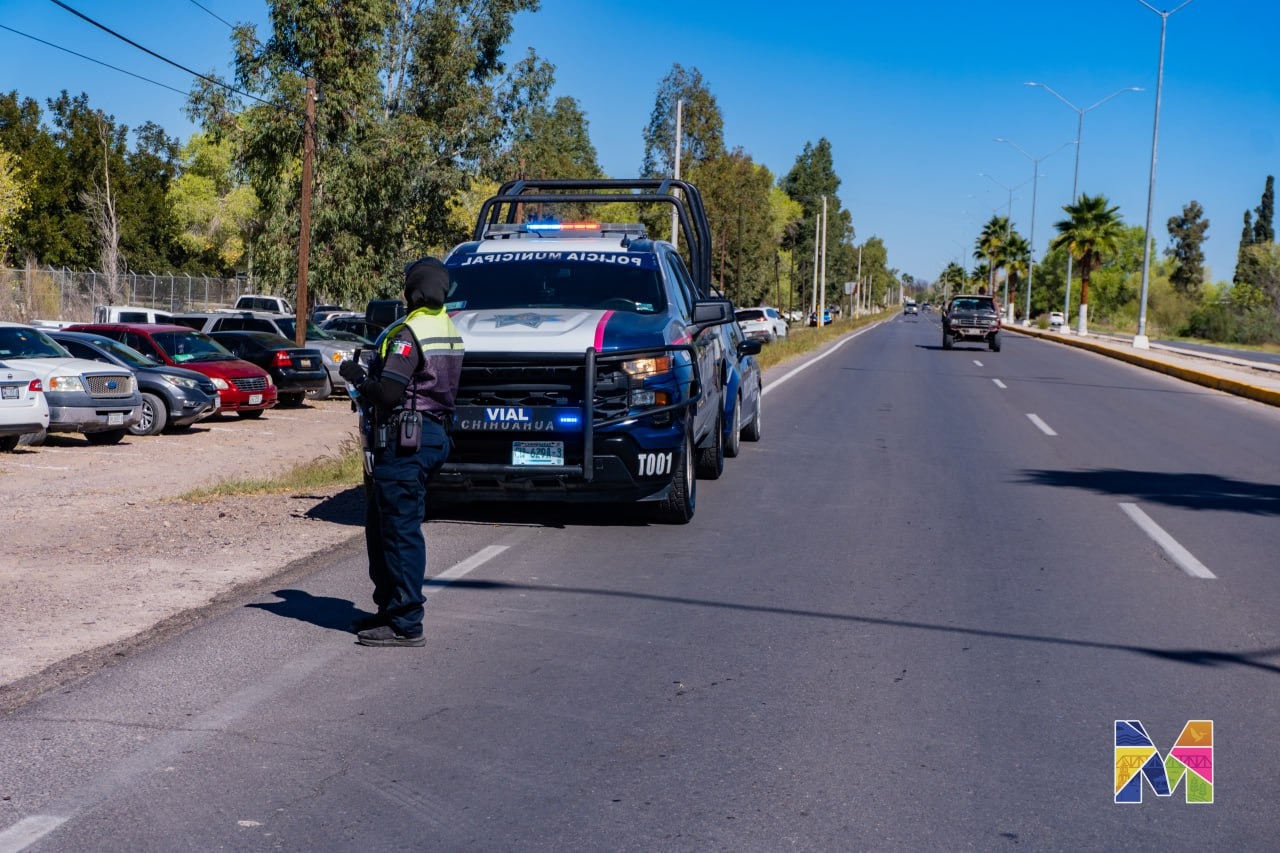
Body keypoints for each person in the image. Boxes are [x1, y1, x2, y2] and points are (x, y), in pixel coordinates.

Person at [338, 257, 464, 647]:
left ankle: (406, 623)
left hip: (405, 440)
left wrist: (356, 376)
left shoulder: (410, 333)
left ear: (413, 290)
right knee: (383, 527)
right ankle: (388, 610)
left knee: (398, 532)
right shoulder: (449, 328)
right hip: (431, 434)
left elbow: (390, 393)